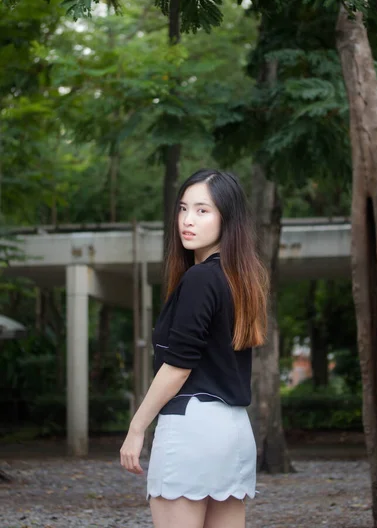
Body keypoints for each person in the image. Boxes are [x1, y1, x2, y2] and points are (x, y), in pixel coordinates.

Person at [120, 168, 269, 528]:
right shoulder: (241, 279)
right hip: (233, 431)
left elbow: (178, 366)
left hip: (191, 427)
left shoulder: (201, 278)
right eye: (184, 208)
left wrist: (137, 427)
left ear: (227, 218)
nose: (187, 220)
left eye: (203, 210)